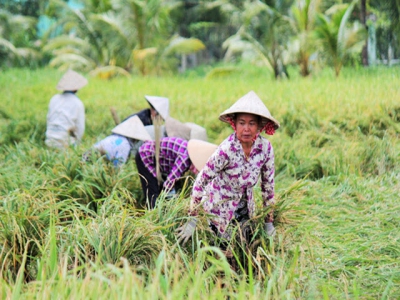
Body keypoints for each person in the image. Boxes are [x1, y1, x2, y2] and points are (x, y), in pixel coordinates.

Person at [176, 90, 280, 247]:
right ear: (235, 124)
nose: (246, 129)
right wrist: (192, 219)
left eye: (251, 123)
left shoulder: (265, 149)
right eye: (242, 123)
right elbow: (201, 181)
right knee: (222, 253)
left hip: (245, 209)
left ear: (259, 126)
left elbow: (268, 187)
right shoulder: (227, 150)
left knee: (245, 250)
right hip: (218, 210)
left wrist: (268, 223)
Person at [135, 135, 217, 210]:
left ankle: (159, 208)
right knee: (152, 193)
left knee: (159, 188)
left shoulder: (189, 151)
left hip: (158, 161)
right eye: (197, 168)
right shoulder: (185, 159)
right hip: (145, 155)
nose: (195, 172)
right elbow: (169, 182)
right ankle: (153, 217)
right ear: (195, 159)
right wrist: (173, 203)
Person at [82, 115, 153, 167]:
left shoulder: (113, 137)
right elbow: (118, 166)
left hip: (87, 157)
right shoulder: (125, 146)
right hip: (93, 161)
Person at [45, 69, 88, 149]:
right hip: (64, 144)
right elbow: (80, 128)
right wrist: (78, 143)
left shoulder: (54, 99)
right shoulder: (77, 103)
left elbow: (48, 119)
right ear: (76, 89)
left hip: (49, 141)